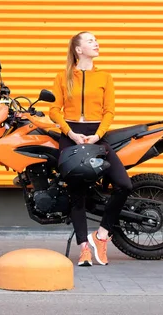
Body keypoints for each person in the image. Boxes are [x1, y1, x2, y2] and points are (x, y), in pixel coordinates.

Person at [50, 31, 133, 267]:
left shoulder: (105, 77)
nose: (96, 43)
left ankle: (102, 235)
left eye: (96, 40)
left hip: (97, 134)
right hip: (71, 135)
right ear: (78, 49)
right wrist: (71, 133)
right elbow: (54, 110)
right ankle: (84, 249)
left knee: (124, 184)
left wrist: (97, 135)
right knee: (77, 193)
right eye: (90, 40)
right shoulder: (63, 76)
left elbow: (110, 111)